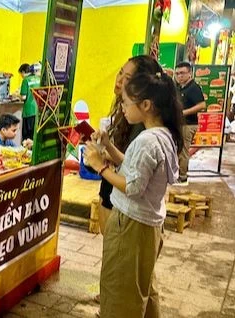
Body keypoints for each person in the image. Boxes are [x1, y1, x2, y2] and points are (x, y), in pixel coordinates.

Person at [84, 71, 183, 317]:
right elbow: (134, 167)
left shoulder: (147, 140)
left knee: (119, 294)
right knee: (141, 289)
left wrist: (100, 166)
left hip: (131, 225)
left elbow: (133, 186)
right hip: (148, 226)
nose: (124, 109)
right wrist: (107, 147)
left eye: (127, 104)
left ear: (146, 105)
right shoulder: (163, 135)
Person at [97, 56, 164, 236]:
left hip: (125, 206)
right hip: (114, 195)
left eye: (127, 79)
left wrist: (100, 164)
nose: (119, 81)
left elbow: (133, 181)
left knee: (117, 255)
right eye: (120, 73)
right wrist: (107, 147)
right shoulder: (129, 113)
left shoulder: (144, 129)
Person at [175, 61, 205, 184]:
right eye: (177, 74)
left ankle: (182, 177)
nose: (179, 76)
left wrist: (184, 112)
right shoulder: (181, 87)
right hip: (181, 124)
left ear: (189, 73)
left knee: (183, 151)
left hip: (188, 124)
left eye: (182, 73)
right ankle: (178, 174)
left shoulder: (193, 87)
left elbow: (202, 105)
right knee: (178, 150)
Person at [18, 63, 41, 141]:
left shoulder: (26, 80)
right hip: (37, 110)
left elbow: (23, 97)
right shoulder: (38, 79)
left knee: (26, 136)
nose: (21, 76)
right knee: (33, 136)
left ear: (24, 72)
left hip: (28, 111)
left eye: (21, 74)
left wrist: (17, 95)